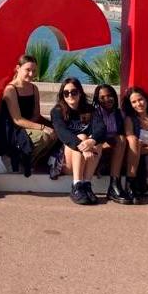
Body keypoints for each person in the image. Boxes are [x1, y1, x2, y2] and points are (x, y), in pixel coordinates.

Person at [50, 78, 106, 206]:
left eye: (74, 92)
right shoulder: (57, 111)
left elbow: (101, 128)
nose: (70, 95)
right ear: (62, 95)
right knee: (81, 136)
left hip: (87, 159)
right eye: (66, 93)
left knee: (96, 143)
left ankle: (86, 185)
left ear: (80, 93)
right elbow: (62, 133)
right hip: (65, 161)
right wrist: (82, 146)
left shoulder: (90, 110)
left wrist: (91, 142)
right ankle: (76, 186)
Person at [1, 55, 56, 177]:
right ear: (18, 68)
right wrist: (42, 128)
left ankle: (33, 161)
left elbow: (36, 114)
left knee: (56, 133)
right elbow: (17, 119)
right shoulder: (11, 90)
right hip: (14, 129)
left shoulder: (34, 88)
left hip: (29, 124)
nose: (31, 74)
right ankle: (15, 158)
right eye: (28, 70)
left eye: (34, 71)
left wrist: (46, 127)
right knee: (44, 136)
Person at [91, 84, 131, 204]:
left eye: (109, 96)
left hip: (116, 148)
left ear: (114, 96)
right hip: (98, 148)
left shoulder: (120, 114)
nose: (107, 99)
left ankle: (114, 185)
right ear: (97, 99)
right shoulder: (94, 113)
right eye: (102, 97)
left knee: (121, 139)